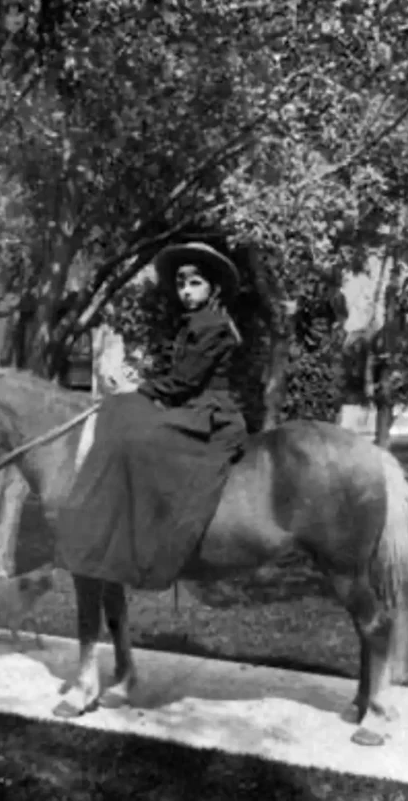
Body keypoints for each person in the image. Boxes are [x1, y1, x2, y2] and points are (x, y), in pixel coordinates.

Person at [54, 241, 249, 590]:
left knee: (138, 437)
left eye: (195, 284)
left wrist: (139, 389)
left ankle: (152, 534)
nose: (186, 292)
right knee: (123, 416)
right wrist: (138, 380)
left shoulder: (214, 326)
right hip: (192, 405)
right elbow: (178, 378)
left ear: (213, 288)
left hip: (211, 415)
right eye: (181, 284)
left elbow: (185, 382)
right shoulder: (195, 323)